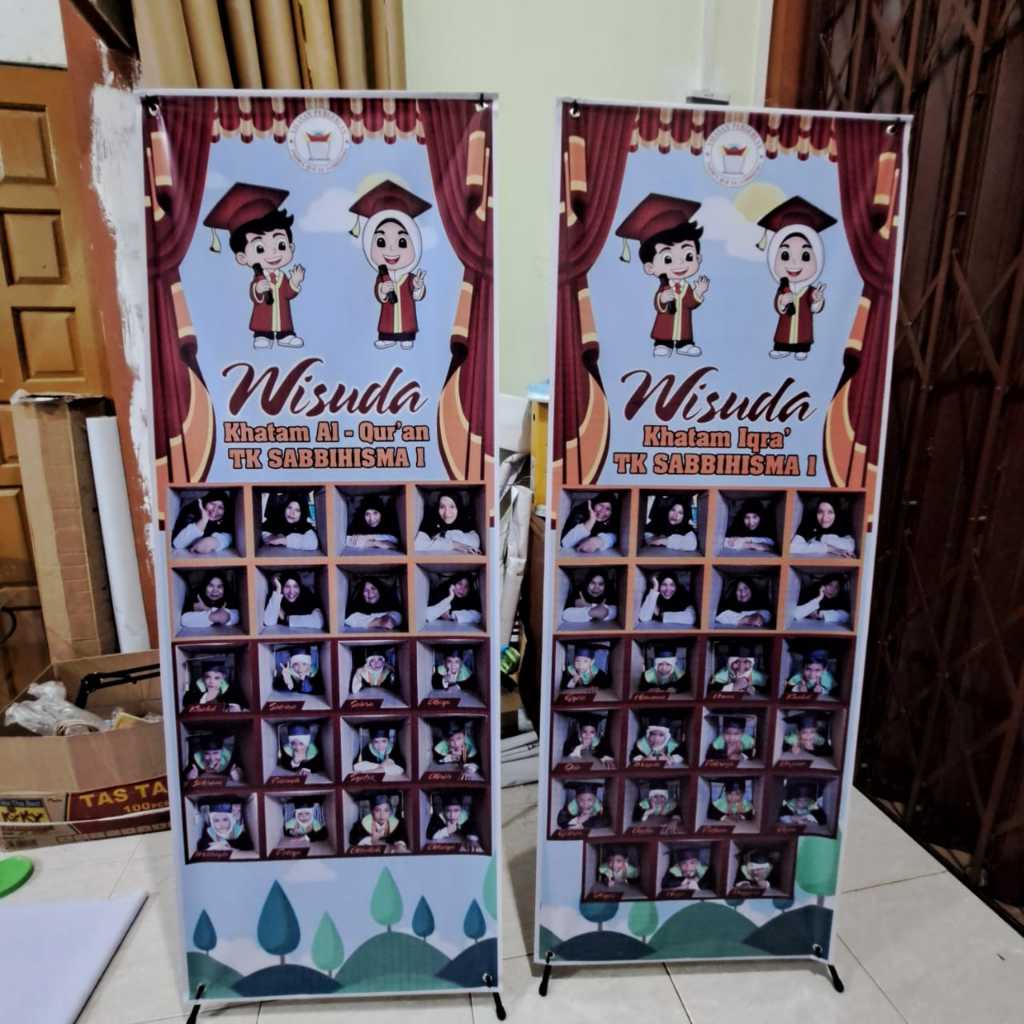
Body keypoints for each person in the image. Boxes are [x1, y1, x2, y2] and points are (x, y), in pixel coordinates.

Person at [203, 183, 305, 349]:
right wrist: (258, 289)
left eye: (281, 245)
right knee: (263, 325)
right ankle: (262, 335)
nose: (273, 253)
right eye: (260, 248)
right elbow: (254, 294)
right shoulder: (258, 278)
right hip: (263, 317)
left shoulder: (282, 277)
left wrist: (294, 281)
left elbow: (288, 293)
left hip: (282, 317)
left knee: (284, 322)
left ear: (291, 247)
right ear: (242, 257)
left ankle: (285, 335)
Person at [615, 193, 710, 357]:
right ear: (650, 267)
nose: (680, 264)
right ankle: (662, 344)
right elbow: (658, 303)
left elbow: (690, 303)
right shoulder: (664, 288)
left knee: (685, 332)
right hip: (665, 325)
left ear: (698, 258)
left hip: (683, 326)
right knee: (664, 332)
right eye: (668, 259)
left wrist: (698, 292)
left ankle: (684, 344)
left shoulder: (686, 287)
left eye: (688, 256)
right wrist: (662, 299)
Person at [349, 180, 430, 350]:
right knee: (386, 324)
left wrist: (418, 287)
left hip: (407, 324)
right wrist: (382, 290)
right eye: (381, 242)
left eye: (402, 242)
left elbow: (417, 296)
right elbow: (379, 295)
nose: (391, 249)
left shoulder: (409, 277)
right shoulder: (382, 277)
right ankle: (387, 338)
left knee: (407, 329)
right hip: (387, 323)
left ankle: (407, 337)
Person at [756, 195, 836, 360]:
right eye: (785, 255)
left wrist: (817, 300)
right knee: (783, 335)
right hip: (784, 333)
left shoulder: (809, 290)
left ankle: (802, 348)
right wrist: (782, 302)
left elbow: (815, 308)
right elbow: (778, 307)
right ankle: (782, 347)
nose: (794, 263)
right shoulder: (783, 289)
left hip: (803, 333)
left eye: (805, 256)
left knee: (803, 338)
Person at [415, 491, 481, 553]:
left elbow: (475, 543)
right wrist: (454, 544)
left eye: (452, 507)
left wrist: (444, 535)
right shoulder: (431, 522)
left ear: (458, 508)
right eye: (442, 507)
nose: (446, 513)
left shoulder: (465, 521)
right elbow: (417, 545)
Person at [790, 496, 856, 557]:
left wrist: (821, 538)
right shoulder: (809, 525)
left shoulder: (841, 526)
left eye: (830, 512)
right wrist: (829, 548)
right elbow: (792, 548)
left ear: (836, 513)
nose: (824, 518)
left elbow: (850, 547)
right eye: (820, 512)